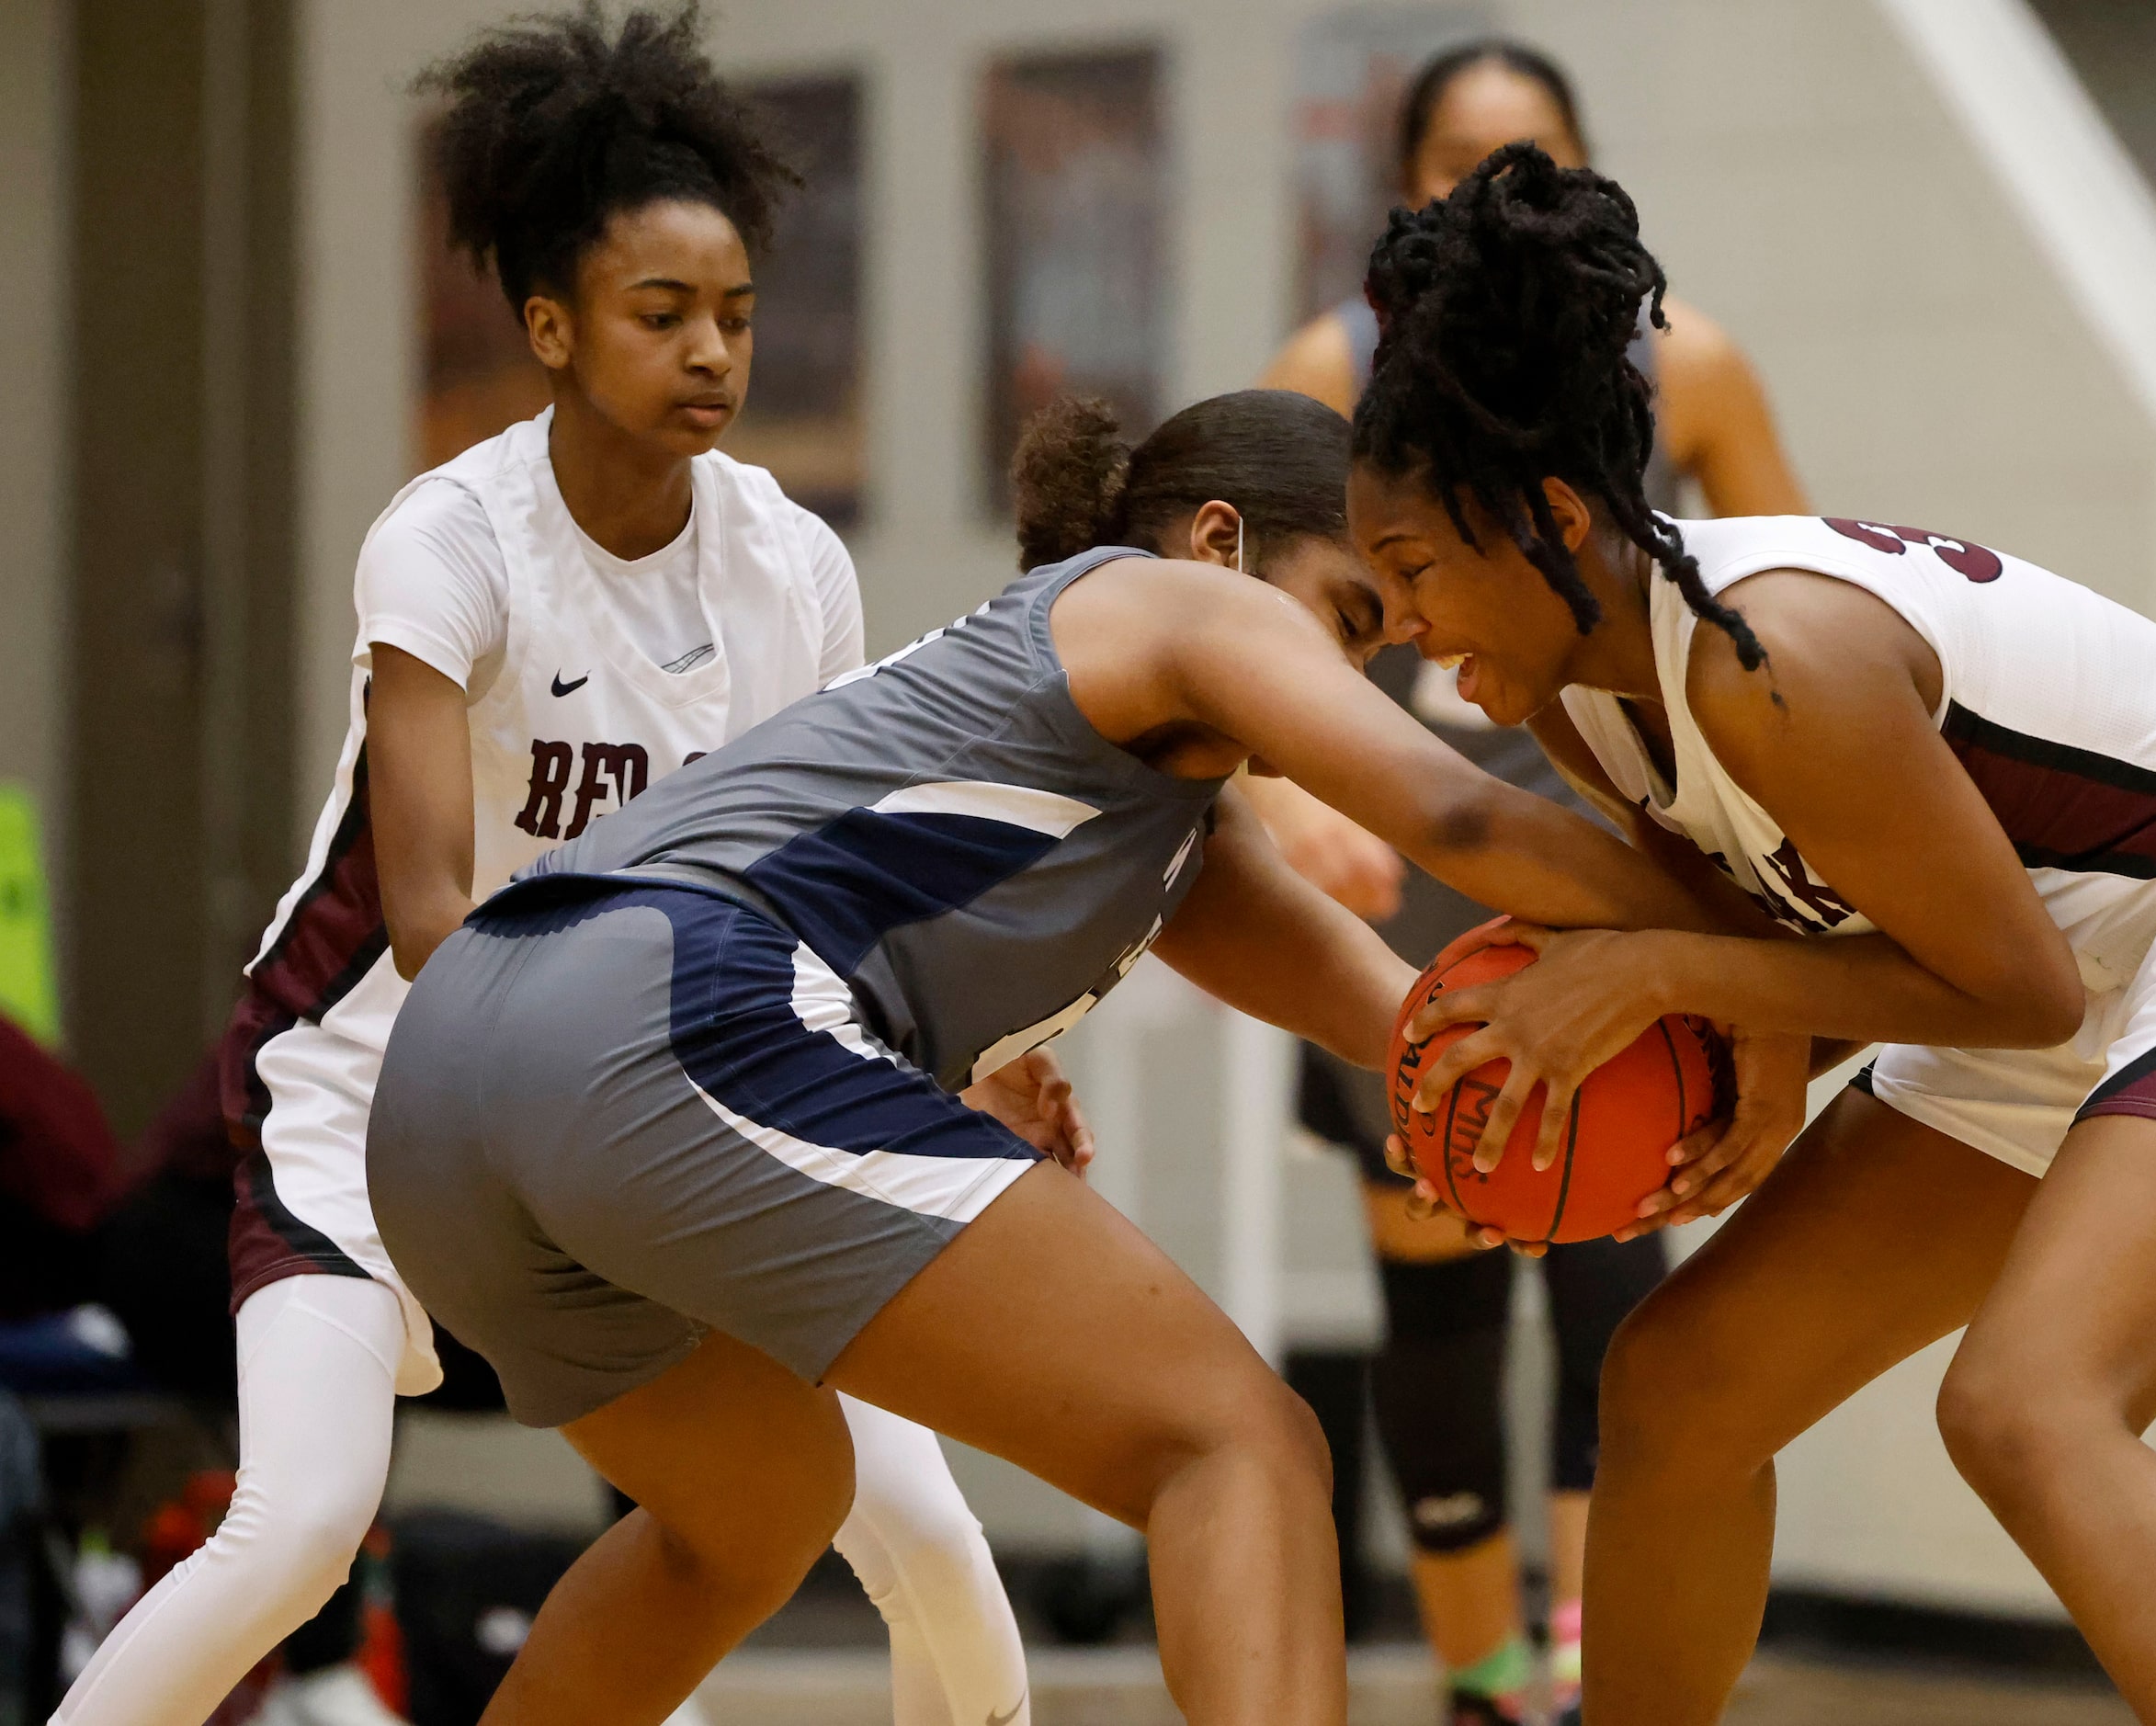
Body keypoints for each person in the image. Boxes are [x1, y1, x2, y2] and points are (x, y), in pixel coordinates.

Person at [355, 385, 1719, 1724]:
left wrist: (1534, 1122)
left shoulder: (1173, 811)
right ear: (1223, 543)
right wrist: (1750, 933)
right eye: (1350, 618)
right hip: (657, 1018)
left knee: (751, 1512)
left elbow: (1404, 1023)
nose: (1343, 680)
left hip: (454, 1084)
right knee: (1240, 1441)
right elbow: (1456, 816)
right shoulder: (1161, 601)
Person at [1356, 147, 2156, 1726]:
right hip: (2080, 957)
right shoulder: (1577, 691)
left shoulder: (1774, 659)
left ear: (1549, 515)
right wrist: (1718, 1063)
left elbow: (2004, 985)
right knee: (1677, 1388)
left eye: (1409, 572)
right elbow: (1867, 955)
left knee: (2029, 1407)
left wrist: (1668, 973)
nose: (1400, 623)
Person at [51, 11, 1025, 1725]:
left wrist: (984, 1059)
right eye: (663, 315)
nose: (712, 352)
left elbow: (834, 894)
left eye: (733, 314)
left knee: (923, 1524)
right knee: (296, 1528)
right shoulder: (451, 538)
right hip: (374, 1104)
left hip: (632, 1100)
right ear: (553, 327)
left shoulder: (790, 567)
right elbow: (432, 921)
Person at [1258, 40, 1808, 1724]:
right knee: (1434, 1284)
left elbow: (1783, 611)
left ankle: (1590, 1664)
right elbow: (1254, 624)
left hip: (1623, 854)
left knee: (1606, 1263)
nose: (1496, 191)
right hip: (1411, 857)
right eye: (1461, 161)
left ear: (1587, 176)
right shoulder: (1326, 362)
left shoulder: (1684, 359)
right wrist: (1285, 793)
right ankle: (1480, 1671)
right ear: (1410, 186)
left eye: (1534, 158)